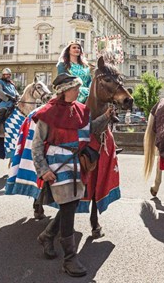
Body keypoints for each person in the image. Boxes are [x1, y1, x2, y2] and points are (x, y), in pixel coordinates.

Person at [32, 73, 112, 277]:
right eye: (75, 88)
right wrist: (43, 170)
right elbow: (37, 145)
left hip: (77, 165)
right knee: (68, 207)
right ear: (64, 90)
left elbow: (90, 129)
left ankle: (47, 235)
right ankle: (70, 258)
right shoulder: (47, 113)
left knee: (73, 204)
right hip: (57, 166)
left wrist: (105, 117)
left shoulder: (82, 110)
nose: (79, 91)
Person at [0, 68, 19, 136]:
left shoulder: (11, 84)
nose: (8, 76)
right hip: (2, 103)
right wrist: (9, 97)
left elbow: (16, 92)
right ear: (3, 75)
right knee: (2, 111)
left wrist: (17, 97)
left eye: (9, 75)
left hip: (12, 103)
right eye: (7, 75)